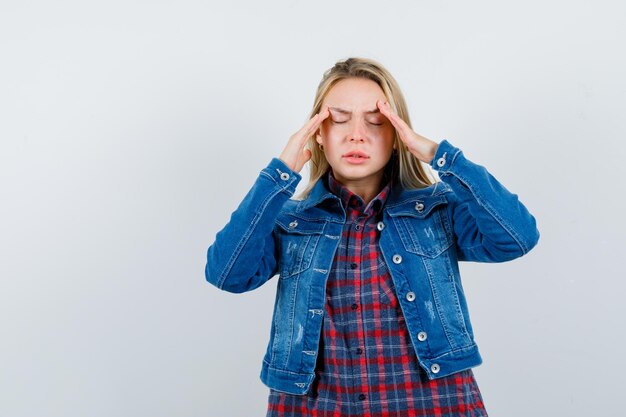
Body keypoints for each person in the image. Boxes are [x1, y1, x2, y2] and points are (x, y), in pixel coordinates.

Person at [205, 57, 540, 417]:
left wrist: (439, 155)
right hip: (315, 407)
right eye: (338, 119)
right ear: (318, 133)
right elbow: (227, 274)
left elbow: (516, 237)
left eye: (376, 121)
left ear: (397, 134)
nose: (356, 134)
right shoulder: (289, 221)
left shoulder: (437, 210)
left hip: (432, 404)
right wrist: (279, 175)